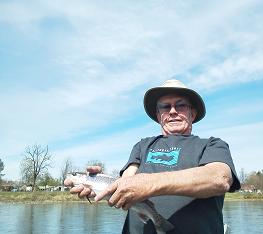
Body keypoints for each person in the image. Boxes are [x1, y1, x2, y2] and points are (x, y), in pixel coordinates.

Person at [64, 79, 241, 234]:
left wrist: (150, 183)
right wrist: (101, 184)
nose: (172, 111)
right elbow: (127, 182)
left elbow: (220, 178)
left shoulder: (212, 145)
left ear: (192, 113)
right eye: (165, 106)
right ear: (158, 115)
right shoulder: (142, 145)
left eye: (180, 105)